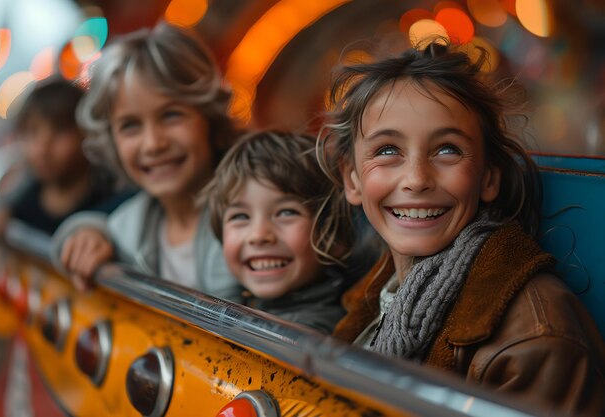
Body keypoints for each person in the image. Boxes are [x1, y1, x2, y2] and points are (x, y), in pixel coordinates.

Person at [317, 41, 605, 415]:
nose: (417, 179)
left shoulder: (535, 339)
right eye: (388, 150)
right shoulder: (374, 295)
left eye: (447, 149)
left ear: (488, 177)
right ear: (352, 179)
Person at [51, 22, 242, 302]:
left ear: (209, 117)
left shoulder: (256, 216)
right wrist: (84, 232)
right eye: (130, 126)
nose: (153, 144)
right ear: (111, 141)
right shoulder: (127, 228)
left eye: (171, 115)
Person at [204, 131, 354, 333]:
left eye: (286, 212)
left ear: (333, 236)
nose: (259, 235)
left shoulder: (310, 335)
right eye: (240, 217)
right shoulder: (241, 304)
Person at [0, 78, 117, 240]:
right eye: (32, 132)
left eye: (59, 131)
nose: (42, 149)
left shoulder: (111, 207)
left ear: (87, 134)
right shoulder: (19, 205)